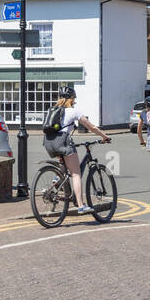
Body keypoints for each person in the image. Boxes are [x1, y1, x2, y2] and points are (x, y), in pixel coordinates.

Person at [43, 86, 111, 214]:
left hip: (49, 142)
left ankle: (56, 181)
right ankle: (81, 206)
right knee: (76, 174)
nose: (74, 101)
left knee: (65, 162)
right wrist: (104, 136)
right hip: (62, 142)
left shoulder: (51, 110)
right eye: (74, 99)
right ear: (71, 99)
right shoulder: (73, 111)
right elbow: (91, 127)